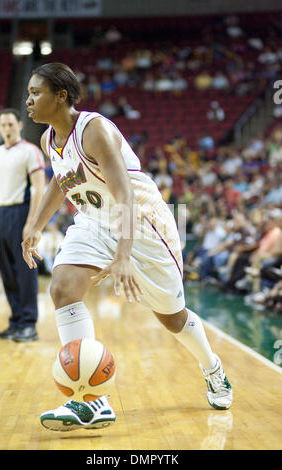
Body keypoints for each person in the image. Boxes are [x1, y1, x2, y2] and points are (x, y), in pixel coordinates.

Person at [23, 63, 233, 431]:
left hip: (144, 223)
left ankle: (212, 367)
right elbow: (62, 179)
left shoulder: (95, 130)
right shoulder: (47, 140)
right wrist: (35, 226)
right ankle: (88, 399)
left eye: (35, 93)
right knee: (62, 287)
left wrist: (122, 256)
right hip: (93, 220)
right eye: (27, 93)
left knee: (172, 317)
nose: (28, 100)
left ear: (61, 96)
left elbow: (124, 196)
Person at [0, 109, 45, 342]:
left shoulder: (30, 151)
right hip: (2, 213)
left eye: (10, 124)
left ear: (19, 125)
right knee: (7, 270)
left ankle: (29, 324)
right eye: (3, 125)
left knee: (25, 270)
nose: (7, 128)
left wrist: (31, 222)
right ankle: (16, 320)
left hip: (21, 212)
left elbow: (39, 188)